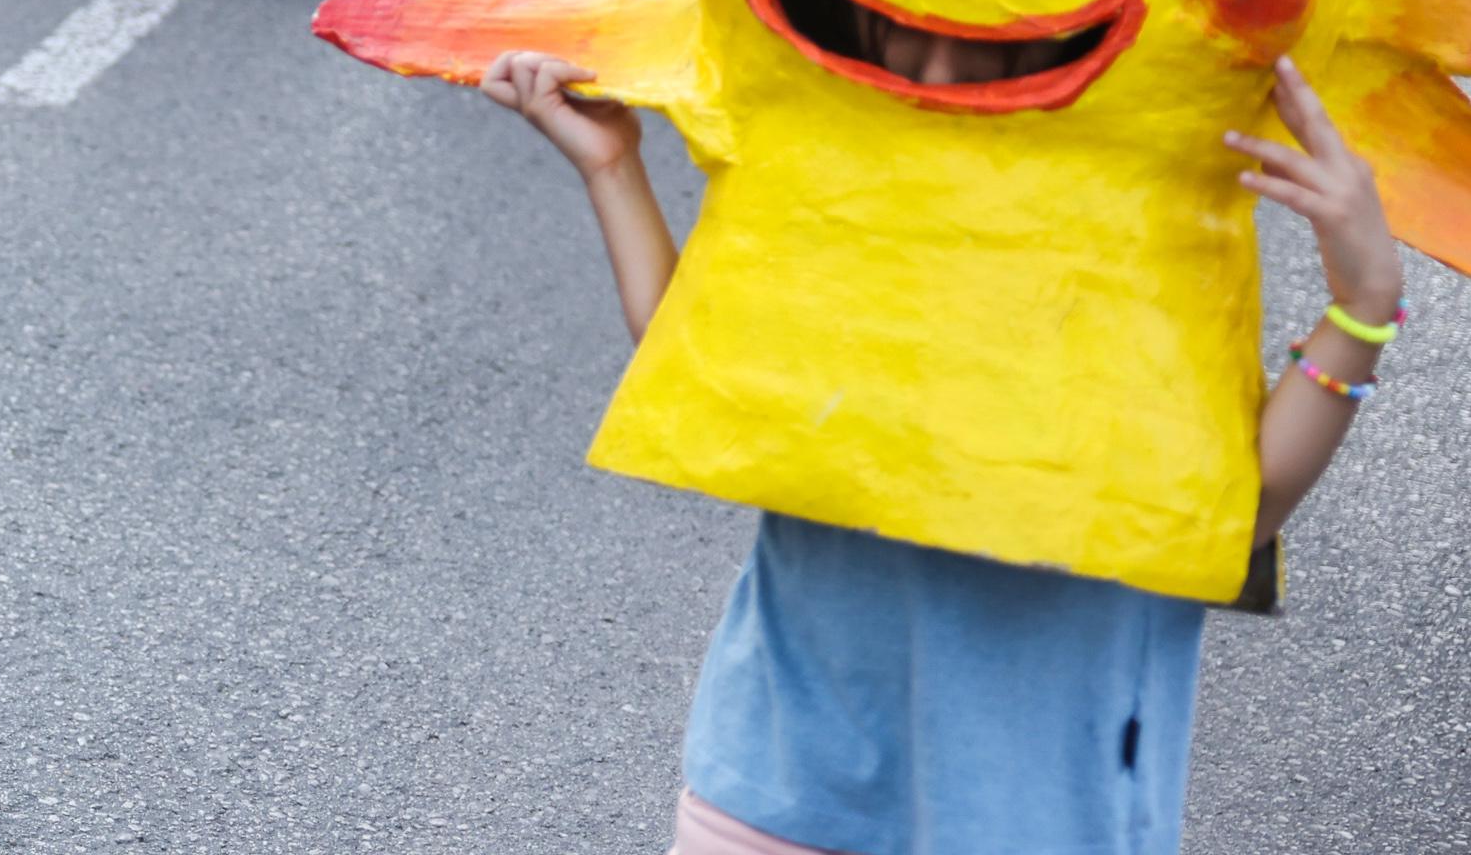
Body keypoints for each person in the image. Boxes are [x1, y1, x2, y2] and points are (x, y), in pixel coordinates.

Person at [478, 41, 1400, 852]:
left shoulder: (1123, 256)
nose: (933, 83)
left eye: (978, 54)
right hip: (782, 784)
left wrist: (1364, 305)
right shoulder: (864, 207)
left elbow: (1233, 508)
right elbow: (719, 368)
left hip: (1034, 817)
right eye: (904, 45)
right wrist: (612, 169)